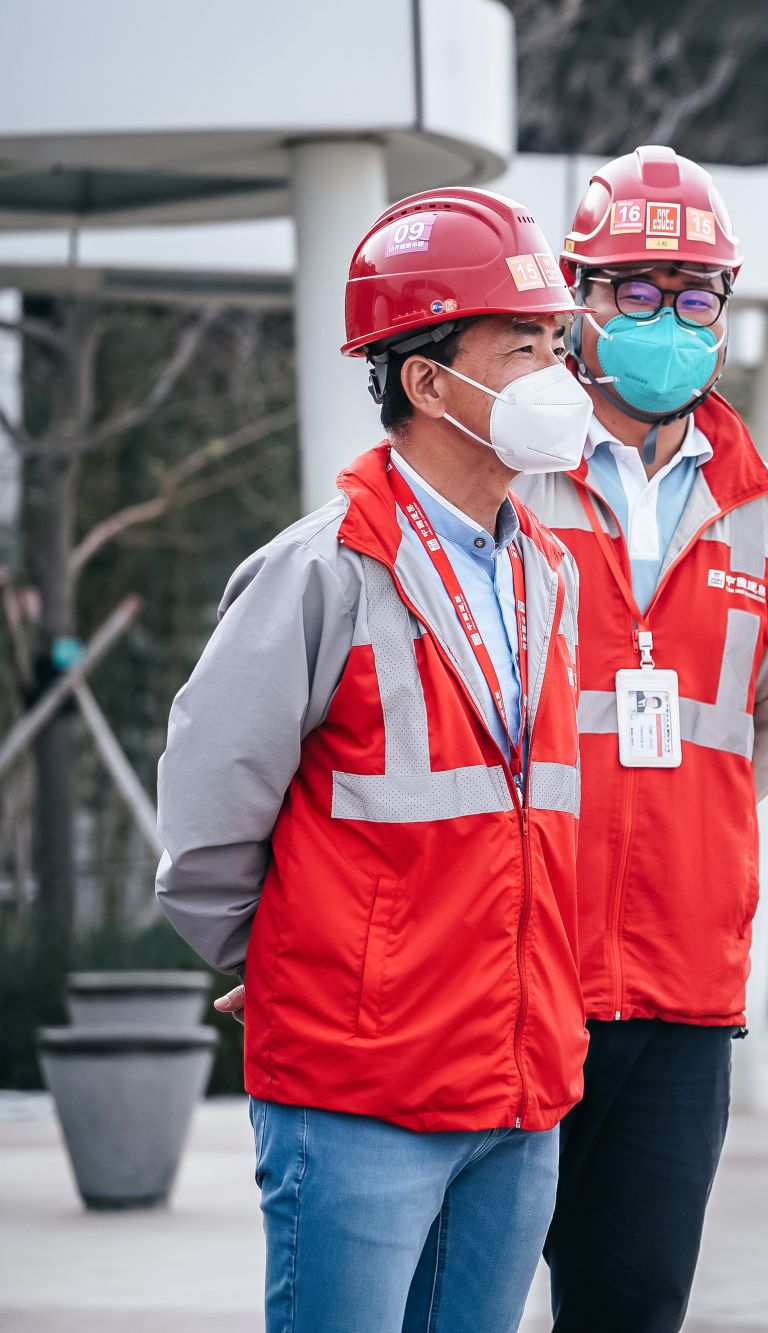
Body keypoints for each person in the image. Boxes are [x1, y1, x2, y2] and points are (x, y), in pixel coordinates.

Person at [154, 186, 593, 1332]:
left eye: (556, 342)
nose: (556, 372)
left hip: (517, 1089)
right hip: (358, 1100)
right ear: (426, 380)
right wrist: (306, 965)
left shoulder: (550, 574)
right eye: (521, 345)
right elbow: (204, 823)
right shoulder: (319, 571)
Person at [514, 145, 768, 1333]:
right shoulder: (509, 481)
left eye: (694, 296)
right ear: (575, 305)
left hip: (684, 989)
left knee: (635, 1304)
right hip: (517, 963)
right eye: (634, 292)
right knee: (470, 1294)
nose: (666, 319)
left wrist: (684, 824)